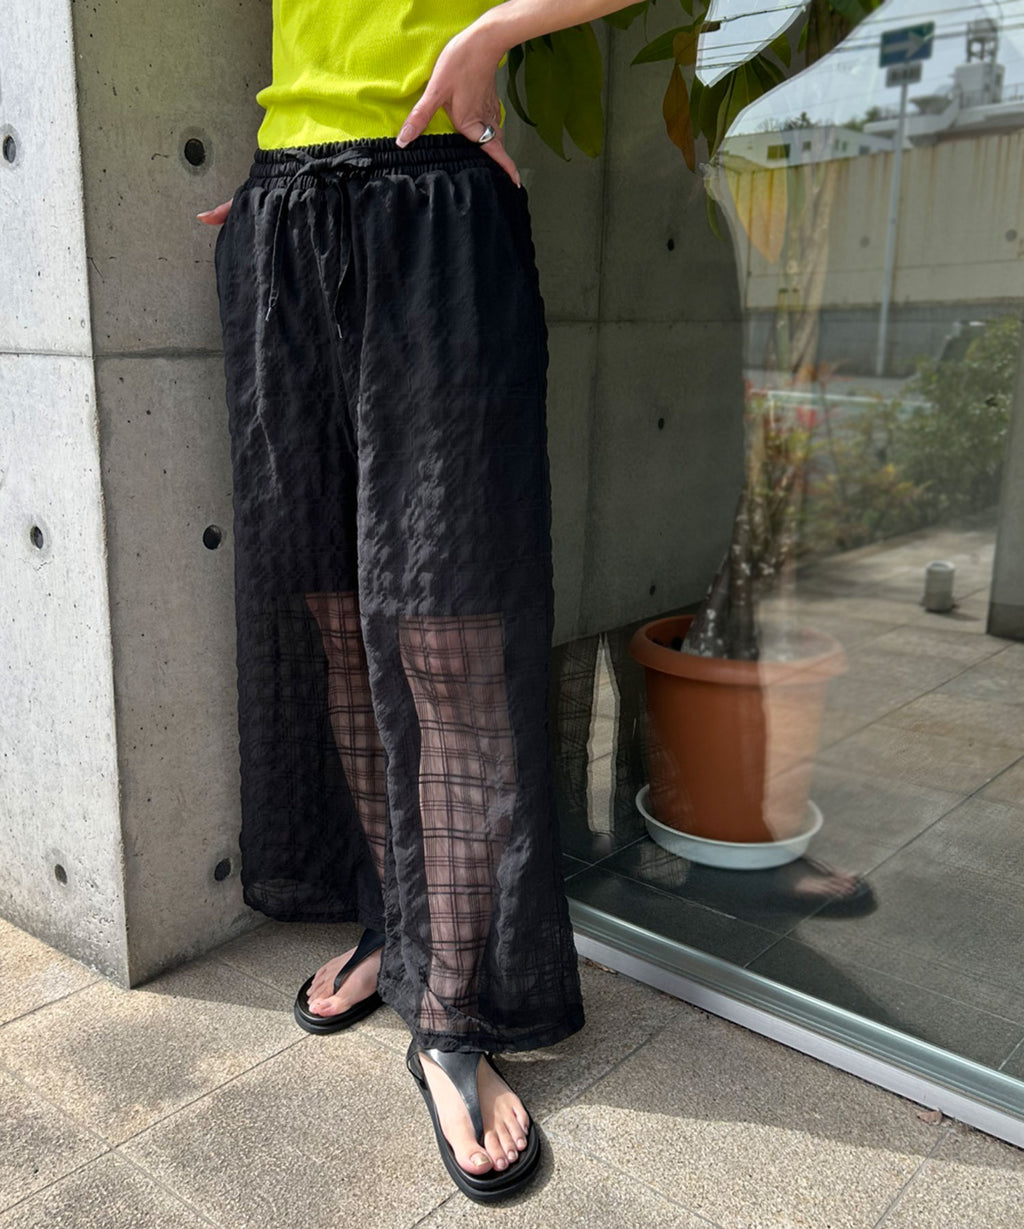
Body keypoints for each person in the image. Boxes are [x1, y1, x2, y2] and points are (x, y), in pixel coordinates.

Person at [198, 0, 635, 1204]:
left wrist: (498, 31)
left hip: (435, 202)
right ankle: (395, 922)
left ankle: (453, 1010)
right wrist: (280, 183)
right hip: (285, 211)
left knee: (451, 628)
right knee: (330, 610)